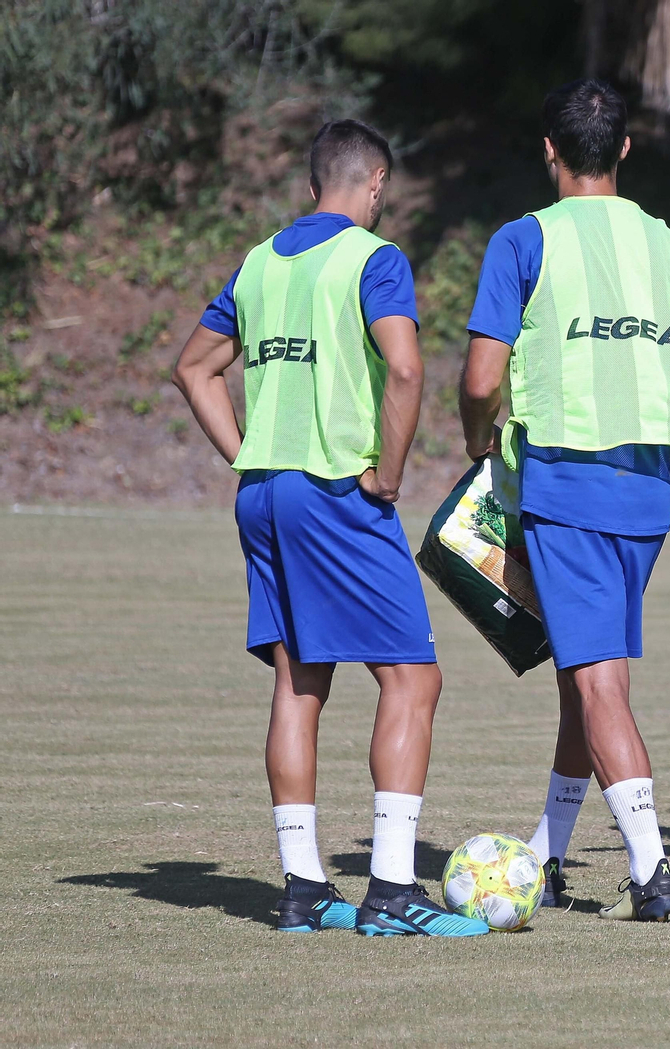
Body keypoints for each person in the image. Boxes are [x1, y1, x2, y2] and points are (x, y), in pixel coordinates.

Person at [171, 120, 485, 938]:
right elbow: (406, 367)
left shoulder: (258, 262)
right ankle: (391, 892)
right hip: (337, 491)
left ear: (315, 183)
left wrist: (247, 455)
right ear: (376, 184)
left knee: (298, 682)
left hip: (264, 494)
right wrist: (388, 473)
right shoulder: (374, 259)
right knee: (413, 679)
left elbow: (193, 368)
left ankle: (304, 889)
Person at [459, 79, 670, 923]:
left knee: (598, 681)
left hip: (565, 485)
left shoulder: (523, 240)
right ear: (625, 149)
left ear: (549, 149)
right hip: (646, 493)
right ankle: (548, 852)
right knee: (584, 675)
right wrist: (648, 430)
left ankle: (652, 871)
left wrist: (477, 441)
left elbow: (480, 380)